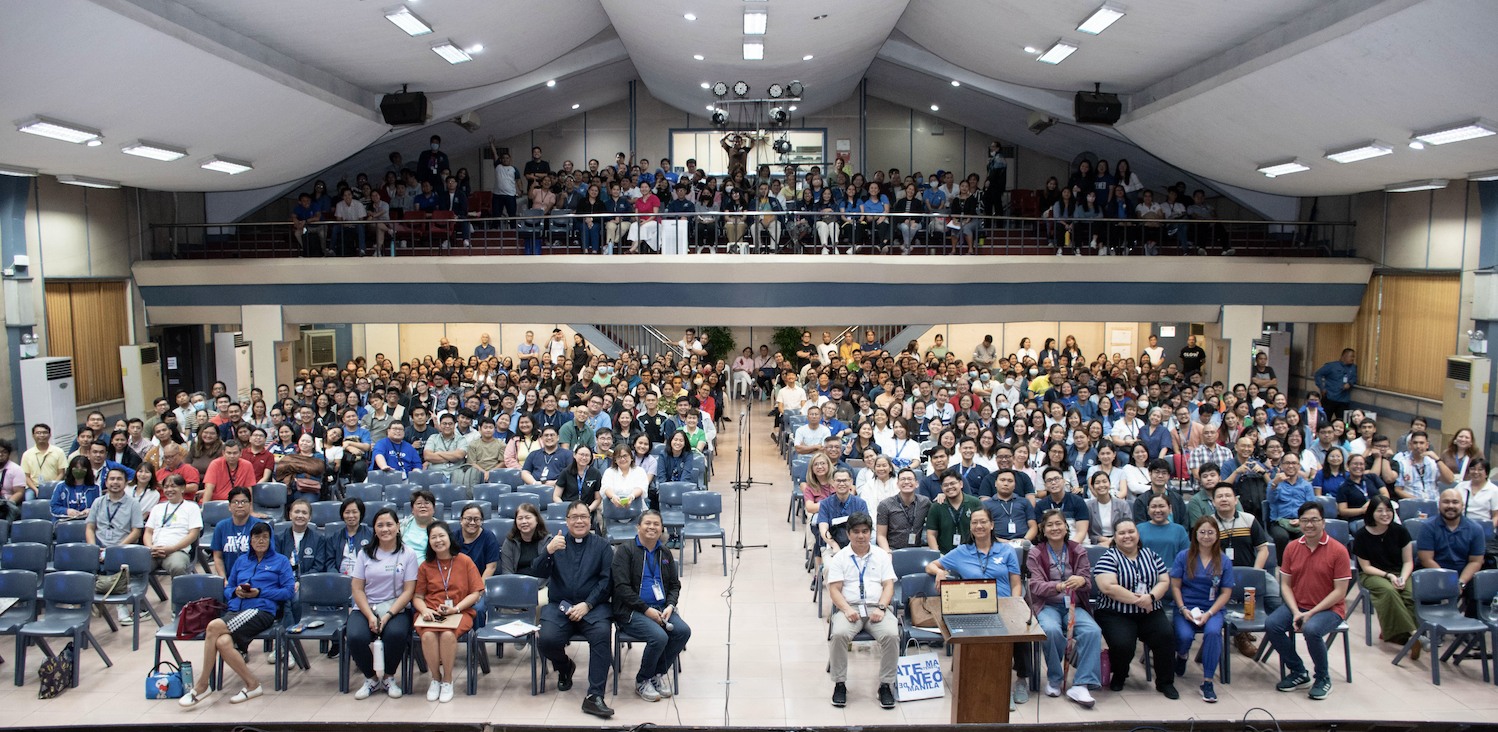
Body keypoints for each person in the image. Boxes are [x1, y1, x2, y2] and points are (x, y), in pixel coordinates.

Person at [178, 522, 293, 708]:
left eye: (264, 536)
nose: (260, 540)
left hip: (262, 611)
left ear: (271, 539)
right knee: (222, 642)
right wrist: (236, 592)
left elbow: (288, 592)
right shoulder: (241, 561)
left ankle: (202, 685)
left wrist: (260, 592)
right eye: (256, 537)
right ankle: (252, 684)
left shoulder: (280, 561)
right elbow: (228, 587)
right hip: (236, 610)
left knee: (213, 626)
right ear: (250, 540)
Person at [926, 507, 1032, 708]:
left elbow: (1016, 583)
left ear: (992, 525)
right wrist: (938, 572)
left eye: (983, 521)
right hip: (973, 606)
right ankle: (998, 685)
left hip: (1004, 603)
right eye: (974, 522)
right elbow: (930, 565)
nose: (979, 526)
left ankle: (1021, 679)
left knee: (1022, 629)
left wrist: (1014, 603)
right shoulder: (961, 552)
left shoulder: (1007, 550)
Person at [534, 500, 616, 718]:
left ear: (590, 521)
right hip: (559, 606)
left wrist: (587, 604)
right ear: (567, 521)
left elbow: (607, 581)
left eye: (584, 517)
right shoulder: (555, 543)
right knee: (546, 640)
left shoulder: (602, 546)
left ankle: (594, 696)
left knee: (601, 635)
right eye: (574, 517)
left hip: (593, 606)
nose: (579, 521)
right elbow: (537, 572)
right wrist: (548, 552)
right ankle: (564, 667)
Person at [1262, 500, 1350, 701]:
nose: (1309, 525)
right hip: (1298, 605)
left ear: (1323, 522)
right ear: (1298, 522)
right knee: (1272, 624)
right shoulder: (1292, 547)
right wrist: (1295, 612)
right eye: (1304, 521)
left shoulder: (1338, 551)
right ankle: (1299, 671)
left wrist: (1310, 613)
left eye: (1314, 520)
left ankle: (1323, 678)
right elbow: (1285, 585)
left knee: (1311, 630)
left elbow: (1340, 592)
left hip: (1329, 609)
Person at [1091, 518, 1176, 699]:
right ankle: (1120, 676)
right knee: (1123, 644)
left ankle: (1165, 682)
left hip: (1150, 610)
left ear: (1138, 534)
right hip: (1115, 612)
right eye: (1122, 533)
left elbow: (1164, 580)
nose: (1127, 536)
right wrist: (1140, 601)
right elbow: (1108, 587)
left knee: (1166, 635)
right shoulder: (1109, 557)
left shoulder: (1151, 555)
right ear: (1114, 537)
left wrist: (1151, 597)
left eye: (1131, 532)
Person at [1026, 509, 1103, 708]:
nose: (1055, 528)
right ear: (1043, 529)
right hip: (1047, 605)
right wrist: (1058, 586)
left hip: (1074, 604)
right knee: (1051, 631)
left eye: (1058, 524)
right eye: (1050, 525)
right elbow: (1035, 586)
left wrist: (1081, 581)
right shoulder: (1036, 552)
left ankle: (1081, 683)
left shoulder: (1078, 550)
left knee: (1092, 631)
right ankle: (1054, 678)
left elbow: (1087, 582)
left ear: (1066, 526)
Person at [612, 509, 690, 702]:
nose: (652, 527)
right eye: (647, 523)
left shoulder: (664, 552)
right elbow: (621, 588)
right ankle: (642, 679)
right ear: (638, 526)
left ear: (662, 528)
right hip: (632, 610)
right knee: (659, 637)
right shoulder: (625, 551)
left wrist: (671, 605)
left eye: (656, 524)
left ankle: (656, 673)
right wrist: (646, 610)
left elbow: (674, 585)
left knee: (683, 632)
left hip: (662, 608)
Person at [825, 511, 899, 710]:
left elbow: (888, 586)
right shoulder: (840, 558)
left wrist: (882, 607)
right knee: (839, 634)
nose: (861, 536)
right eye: (856, 532)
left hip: (877, 608)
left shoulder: (881, 555)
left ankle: (885, 685)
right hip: (850, 609)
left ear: (870, 533)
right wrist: (847, 609)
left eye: (865, 531)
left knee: (892, 635)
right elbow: (834, 590)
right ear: (848, 534)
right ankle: (840, 684)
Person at [349, 507, 420, 700]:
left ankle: (389, 677)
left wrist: (388, 615)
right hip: (366, 607)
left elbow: (409, 591)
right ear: (374, 529)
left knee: (395, 634)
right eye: (380, 525)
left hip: (396, 608)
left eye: (389, 524)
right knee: (355, 637)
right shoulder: (364, 553)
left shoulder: (408, 554)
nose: (385, 529)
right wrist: (371, 616)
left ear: (398, 527)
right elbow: (357, 589)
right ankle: (371, 678)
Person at [413, 522, 483, 703]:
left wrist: (456, 608)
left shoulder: (464, 561)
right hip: (431, 613)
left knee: (447, 635)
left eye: (441, 536)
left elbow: (476, 592)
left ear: (449, 538)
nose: (438, 540)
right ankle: (435, 678)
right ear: (429, 542)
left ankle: (448, 679)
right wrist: (424, 610)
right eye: (433, 537)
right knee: (428, 636)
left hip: (460, 612)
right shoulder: (425, 566)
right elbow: (417, 596)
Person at [1169, 516, 1234, 702]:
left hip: (1212, 608)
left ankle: (1207, 682)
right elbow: (1175, 586)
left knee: (1213, 633)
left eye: (1210, 532)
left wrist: (1210, 613)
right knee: (1184, 636)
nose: (1206, 536)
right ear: (1195, 534)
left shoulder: (1223, 560)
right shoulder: (1184, 556)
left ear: (1217, 535)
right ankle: (1181, 655)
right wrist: (1182, 608)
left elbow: (1225, 592)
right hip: (1186, 607)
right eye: (1202, 532)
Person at [1351, 495, 1416, 650]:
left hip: (1400, 572)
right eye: (1380, 510)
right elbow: (1366, 567)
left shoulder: (1401, 531)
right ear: (1371, 513)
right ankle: (1414, 633)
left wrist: (1402, 577)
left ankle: (1399, 635)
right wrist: (1389, 576)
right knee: (1389, 591)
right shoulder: (1361, 535)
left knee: (1410, 594)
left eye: (1388, 510)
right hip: (1372, 574)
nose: (1385, 514)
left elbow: (1408, 561)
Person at [1415, 488, 1486, 614]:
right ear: (1439, 504)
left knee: (1481, 589)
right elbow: (1426, 559)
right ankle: (1431, 628)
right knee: (1425, 586)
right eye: (1446, 502)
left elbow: (1476, 561)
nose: (1450, 506)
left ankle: (1469, 630)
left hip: (1464, 575)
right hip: (1434, 573)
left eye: (1455, 502)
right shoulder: (1427, 527)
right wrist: (1448, 581)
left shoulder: (1476, 529)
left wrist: (1460, 583)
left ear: (1462, 506)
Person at [143, 475, 202, 577]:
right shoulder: (157, 508)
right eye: (166, 487)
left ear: (182, 488)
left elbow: (193, 534)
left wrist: (172, 548)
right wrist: (150, 547)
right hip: (154, 551)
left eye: (173, 486)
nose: (169, 490)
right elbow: (148, 532)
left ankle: (180, 593)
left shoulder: (192, 507)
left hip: (177, 551)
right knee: (137, 565)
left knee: (177, 567)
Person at [212, 486, 267, 579]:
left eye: (244, 502)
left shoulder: (261, 526)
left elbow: (268, 557)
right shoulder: (221, 527)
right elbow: (218, 557)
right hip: (229, 580)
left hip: (256, 579)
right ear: (229, 506)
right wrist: (224, 580)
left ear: (250, 505)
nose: (240, 505)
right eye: (235, 502)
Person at [876, 468, 931, 551]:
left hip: (916, 550)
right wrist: (888, 553)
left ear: (916, 484)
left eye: (910, 479)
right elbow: (881, 535)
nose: (906, 482)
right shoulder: (885, 505)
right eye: (903, 479)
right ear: (897, 484)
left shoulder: (925, 502)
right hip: (893, 550)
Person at [500, 503, 550, 581]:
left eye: (528, 517)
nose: (524, 522)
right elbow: (507, 571)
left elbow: (547, 572)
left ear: (537, 520)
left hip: (541, 586)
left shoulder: (547, 541)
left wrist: (533, 586)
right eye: (520, 518)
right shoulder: (510, 542)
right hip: (515, 585)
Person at [51, 455, 100, 521]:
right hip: (65, 523)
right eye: (76, 467)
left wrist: (91, 511)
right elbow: (54, 508)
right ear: (71, 469)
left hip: (88, 522)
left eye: (83, 468)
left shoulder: (95, 488)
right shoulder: (60, 486)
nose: (79, 470)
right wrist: (67, 511)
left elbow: (100, 508)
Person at [1313, 349, 1357, 420]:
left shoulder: (1353, 368)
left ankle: (1345, 430)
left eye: (1353, 357)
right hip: (1330, 398)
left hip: (1344, 400)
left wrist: (1350, 383)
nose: (1353, 359)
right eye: (1351, 356)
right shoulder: (1331, 366)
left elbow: (1354, 378)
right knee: (1325, 419)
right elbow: (1318, 374)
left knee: (1345, 422)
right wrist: (1322, 388)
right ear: (1344, 356)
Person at [400, 490, 440, 558]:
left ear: (433, 509)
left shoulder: (441, 528)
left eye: (427, 503)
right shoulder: (402, 525)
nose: (423, 506)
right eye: (418, 503)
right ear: (412, 509)